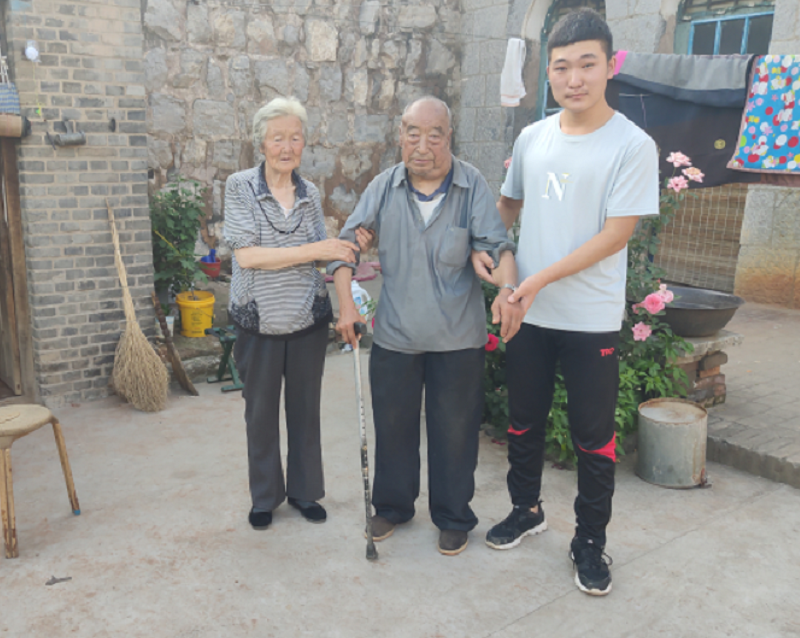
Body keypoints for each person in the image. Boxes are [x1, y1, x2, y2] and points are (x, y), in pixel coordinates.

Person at [472, 9, 659, 595]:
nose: (573, 79)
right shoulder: (533, 137)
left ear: (609, 66)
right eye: (561, 67)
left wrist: (537, 280)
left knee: (592, 438)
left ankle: (590, 541)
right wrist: (488, 252)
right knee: (522, 421)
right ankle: (526, 510)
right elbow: (506, 208)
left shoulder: (632, 145)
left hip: (589, 319)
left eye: (586, 64)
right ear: (547, 71)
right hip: (528, 313)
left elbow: (615, 235)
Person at [331, 96, 522, 556]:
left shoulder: (471, 185)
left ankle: (453, 516)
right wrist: (346, 307)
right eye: (412, 133)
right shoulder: (384, 186)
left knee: (455, 431)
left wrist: (508, 290)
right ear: (400, 136)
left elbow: (498, 246)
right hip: (396, 335)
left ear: (449, 137)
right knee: (393, 427)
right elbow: (344, 248)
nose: (422, 146)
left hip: (457, 339)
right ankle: (393, 507)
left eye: (434, 135)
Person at [223, 96, 365, 530]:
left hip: (306, 319)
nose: (287, 147)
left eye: (295, 138)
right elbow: (247, 256)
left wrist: (345, 248)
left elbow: (320, 255)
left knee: (305, 412)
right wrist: (315, 248)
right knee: (260, 414)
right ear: (261, 143)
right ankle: (265, 497)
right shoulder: (240, 187)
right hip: (259, 321)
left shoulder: (309, 193)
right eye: (277, 138)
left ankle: (305, 492)